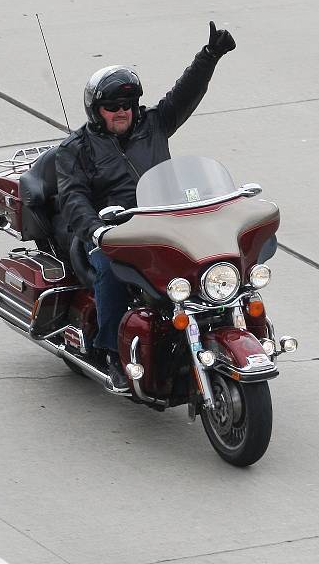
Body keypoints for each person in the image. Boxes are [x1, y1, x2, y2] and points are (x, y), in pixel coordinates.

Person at [56, 22, 236, 392]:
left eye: (127, 104)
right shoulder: (76, 149)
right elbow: (72, 197)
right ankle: (110, 352)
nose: (121, 111)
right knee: (110, 270)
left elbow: (184, 94)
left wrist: (210, 55)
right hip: (112, 233)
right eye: (112, 106)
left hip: (162, 223)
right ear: (96, 109)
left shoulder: (153, 124)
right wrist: (97, 231)